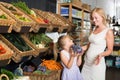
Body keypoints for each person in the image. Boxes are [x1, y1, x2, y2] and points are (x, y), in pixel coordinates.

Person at [81, 8, 114, 80]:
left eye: (96, 18)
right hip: (86, 63)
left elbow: (110, 50)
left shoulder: (108, 31)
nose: (93, 20)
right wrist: (81, 48)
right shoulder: (94, 29)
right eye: (92, 18)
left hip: (97, 64)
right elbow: (90, 45)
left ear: (102, 17)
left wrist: (101, 55)